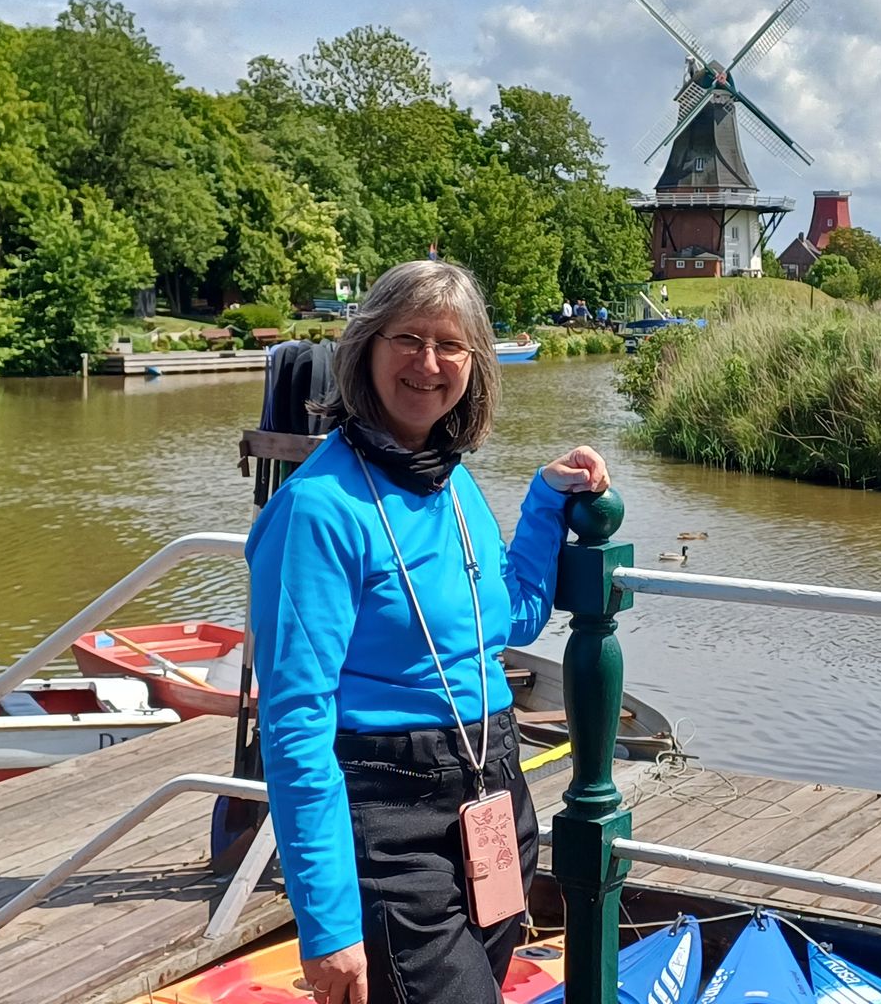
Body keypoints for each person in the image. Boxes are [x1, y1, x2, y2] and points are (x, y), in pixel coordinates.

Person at [247, 260, 610, 1004]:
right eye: (407, 339)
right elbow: (294, 722)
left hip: (493, 795)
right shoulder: (318, 510)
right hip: (390, 817)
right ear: (366, 349)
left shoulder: (451, 481)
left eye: (450, 344)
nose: (428, 362)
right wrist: (328, 922)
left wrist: (546, 501)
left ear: (475, 365)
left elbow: (508, 619)